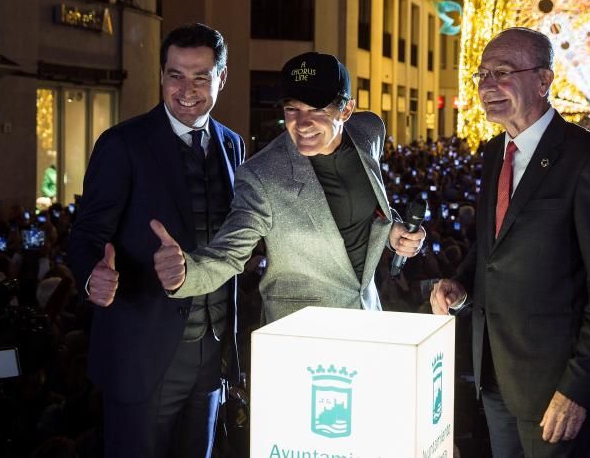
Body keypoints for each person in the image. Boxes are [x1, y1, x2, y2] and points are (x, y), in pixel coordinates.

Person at [431, 27, 590, 457]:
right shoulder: (492, 154)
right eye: (482, 74)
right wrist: (461, 283)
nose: (487, 86)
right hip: (495, 375)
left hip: (556, 391)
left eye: (502, 72)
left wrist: (578, 389)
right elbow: (493, 247)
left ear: (544, 81)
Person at [67, 24, 245, 458]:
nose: (186, 90)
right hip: (143, 353)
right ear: (161, 75)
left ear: (222, 78)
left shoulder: (233, 145)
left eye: (200, 77)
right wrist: (94, 277)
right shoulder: (122, 144)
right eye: (174, 75)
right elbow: (86, 233)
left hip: (212, 353)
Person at [150, 51, 425, 323]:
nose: (302, 123)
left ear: (347, 110)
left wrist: (391, 230)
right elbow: (230, 253)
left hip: (367, 318)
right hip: (298, 333)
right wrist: (187, 274)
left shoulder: (369, 132)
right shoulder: (262, 175)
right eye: (292, 109)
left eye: (316, 109)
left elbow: (366, 201)